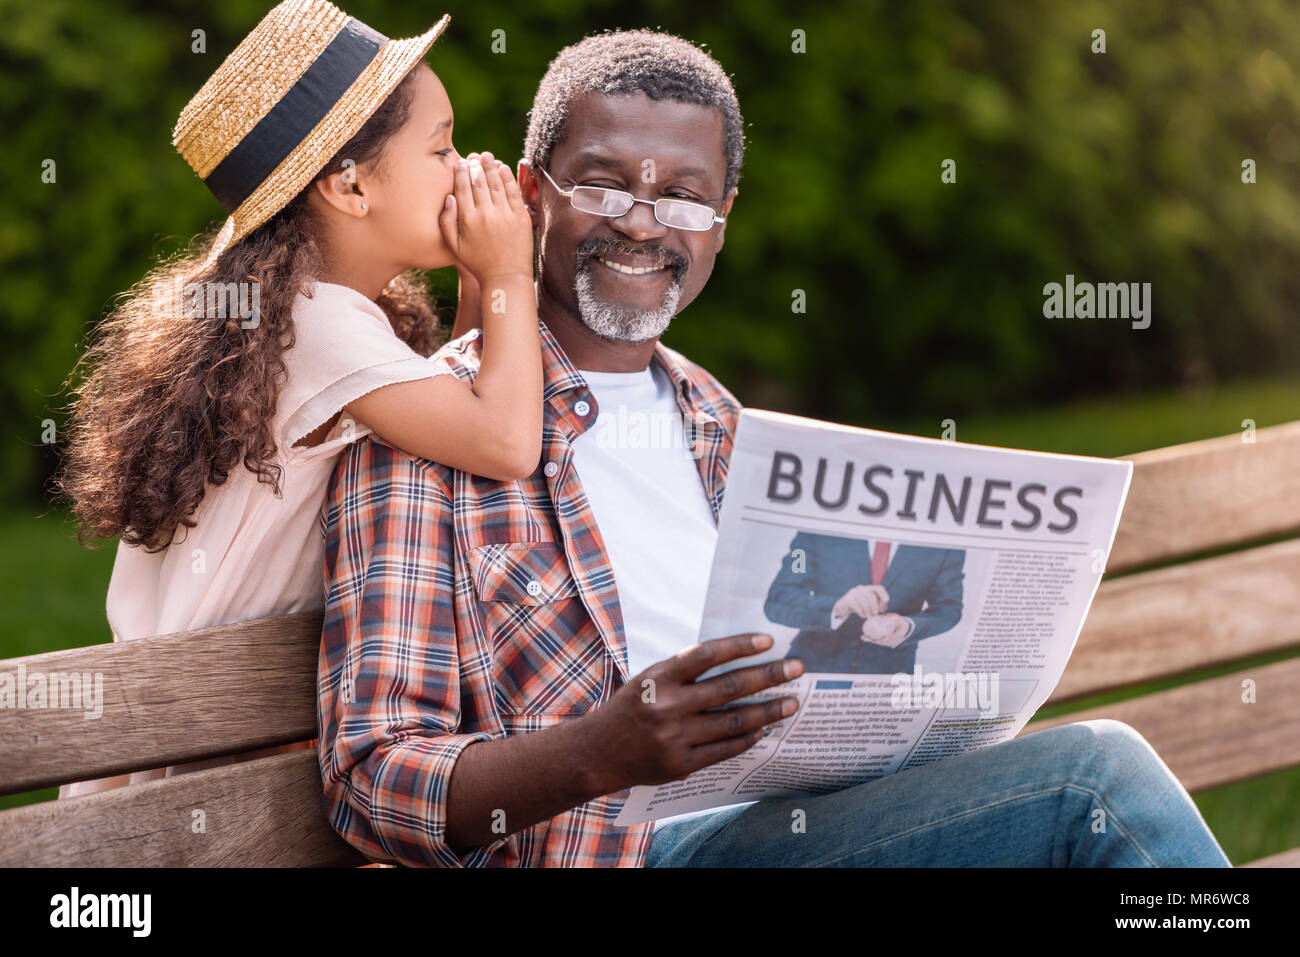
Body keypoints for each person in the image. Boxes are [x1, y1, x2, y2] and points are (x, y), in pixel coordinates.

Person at [316, 29, 1231, 868]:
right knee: (1093, 787)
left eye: (682, 196)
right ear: (527, 193)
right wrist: (599, 751)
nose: (642, 222)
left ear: (723, 216)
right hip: (632, 855)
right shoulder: (427, 432)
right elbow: (369, 780)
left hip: (808, 826)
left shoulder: (723, 422)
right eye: (601, 185)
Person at [54, 1, 541, 795]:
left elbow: (455, 411)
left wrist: (479, 283)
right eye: (442, 146)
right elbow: (505, 441)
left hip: (195, 742)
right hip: (200, 772)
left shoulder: (296, 312)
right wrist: (512, 274)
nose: (464, 167)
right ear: (348, 184)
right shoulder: (317, 324)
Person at [765, 532, 965, 674]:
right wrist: (839, 606)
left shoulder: (945, 547)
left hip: (889, 677)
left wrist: (908, 626)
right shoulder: (813, 535)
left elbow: (948, 608)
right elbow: (782, 597)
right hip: (813, 665)